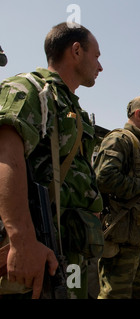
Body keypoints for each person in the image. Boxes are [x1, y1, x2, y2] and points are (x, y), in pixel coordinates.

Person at [0, 22, 103, 299]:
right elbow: (5, 159)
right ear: (76, 51)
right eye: (97, 56)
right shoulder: (28, 89)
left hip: (71, 245)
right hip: (37, 245)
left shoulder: (73, 107)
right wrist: (21, 241)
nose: (100, 66)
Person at [94, 95, 140, 299]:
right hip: (122, 235)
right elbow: (103, 179)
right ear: (138, 114)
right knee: (116, 294)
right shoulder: (119, 139)